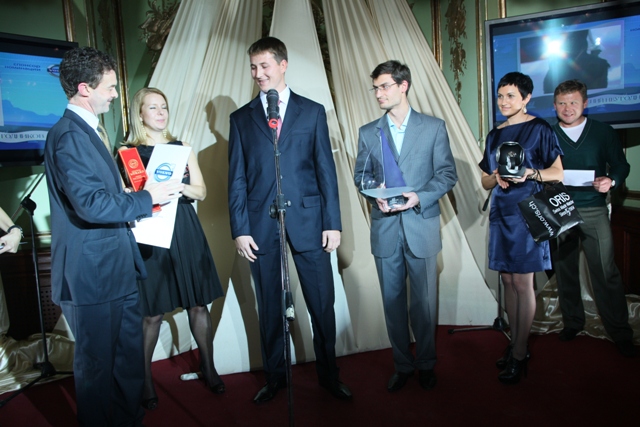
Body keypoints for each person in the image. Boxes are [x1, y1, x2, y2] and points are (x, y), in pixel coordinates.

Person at [44, 47, 184, 426]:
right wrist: (146, 198)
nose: (114, 95)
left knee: (126, 365)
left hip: (114, 268)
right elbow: (90, 205)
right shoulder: (69, 136)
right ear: (84, 88)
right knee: (98, 371)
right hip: (93, 275)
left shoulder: (88, 131)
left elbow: (97, 196)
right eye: (109, 87)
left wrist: (123, 195)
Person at [228, 36, 351, 403]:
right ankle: (275, 378)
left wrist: (332, 222)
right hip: (260, 225)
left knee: (321, 304)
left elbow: (326, 171)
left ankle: (329, 376)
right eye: (253, 67)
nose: (258, 73)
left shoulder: (312, 112)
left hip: (310, 223)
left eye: (264, 66)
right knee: (269, 307)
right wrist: (240, 228)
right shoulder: (241, 118)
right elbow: (236, 179)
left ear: (283, 65)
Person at [353, 60, 458, 392]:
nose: (378, 94)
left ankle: (426, 363)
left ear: (403, 86)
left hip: (421, 225)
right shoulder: (368, 132)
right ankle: (402, 365)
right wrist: (374, 195)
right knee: (392, 302)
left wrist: (419, 197)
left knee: (424, 303)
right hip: (385, 228)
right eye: (375, 88)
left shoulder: (433, 127)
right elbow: (361, 177)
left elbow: (447, 174)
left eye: (384, 86)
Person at [122, 87, 226, 409]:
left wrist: (180, 186)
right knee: (152, 314)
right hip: (150, 231)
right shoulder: (128, 153)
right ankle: (145, 381)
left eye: (163, 107)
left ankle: (209, 367)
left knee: (198, 304)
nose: (160, 112)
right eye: (152, 107)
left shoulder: (182, 148)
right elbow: (123, 196)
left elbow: (202, 192)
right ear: (140, 114)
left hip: (183, 227)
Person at [479, 71, 564, 384]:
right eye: (500, 96)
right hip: (502, 212)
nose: (503, 102)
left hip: (529, 212)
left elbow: (557, 173)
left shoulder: (539, 128)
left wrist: (529, 173)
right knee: (507, 279)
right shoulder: (494, 134)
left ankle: (519, 352)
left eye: (511, 96)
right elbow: (484, 180)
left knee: (523, 282)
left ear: (527, 98)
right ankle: (515, 342)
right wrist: (496, 177)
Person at [550, 79, 635, 357]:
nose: (567, 108)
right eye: (562, 103)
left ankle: (620, 332)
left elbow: (621, 164)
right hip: (560, 209)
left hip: (594, 208)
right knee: (565, 270)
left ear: (585, 103)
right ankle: (572, 322)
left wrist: (612, 180)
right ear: (554, 105)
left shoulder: (602, 131)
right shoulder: (547, 133)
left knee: (606, 271)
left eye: (573, 102)